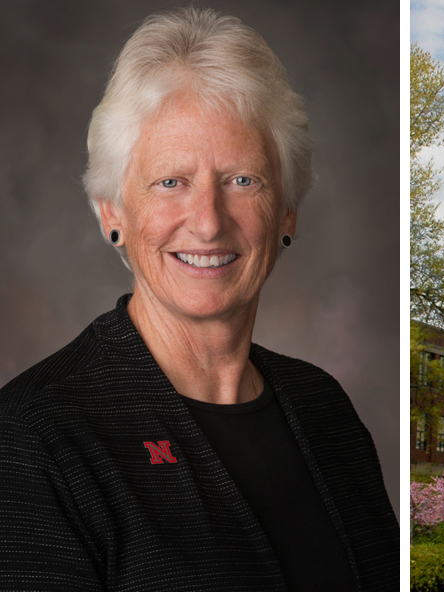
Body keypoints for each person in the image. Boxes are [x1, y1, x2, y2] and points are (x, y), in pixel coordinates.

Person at [0, 8, 396, 591]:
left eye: (243, 180)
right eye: (170, 182)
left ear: (286, 209)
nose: (208, 224)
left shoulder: (325, 411)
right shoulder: (34, 439)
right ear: (113, 212)